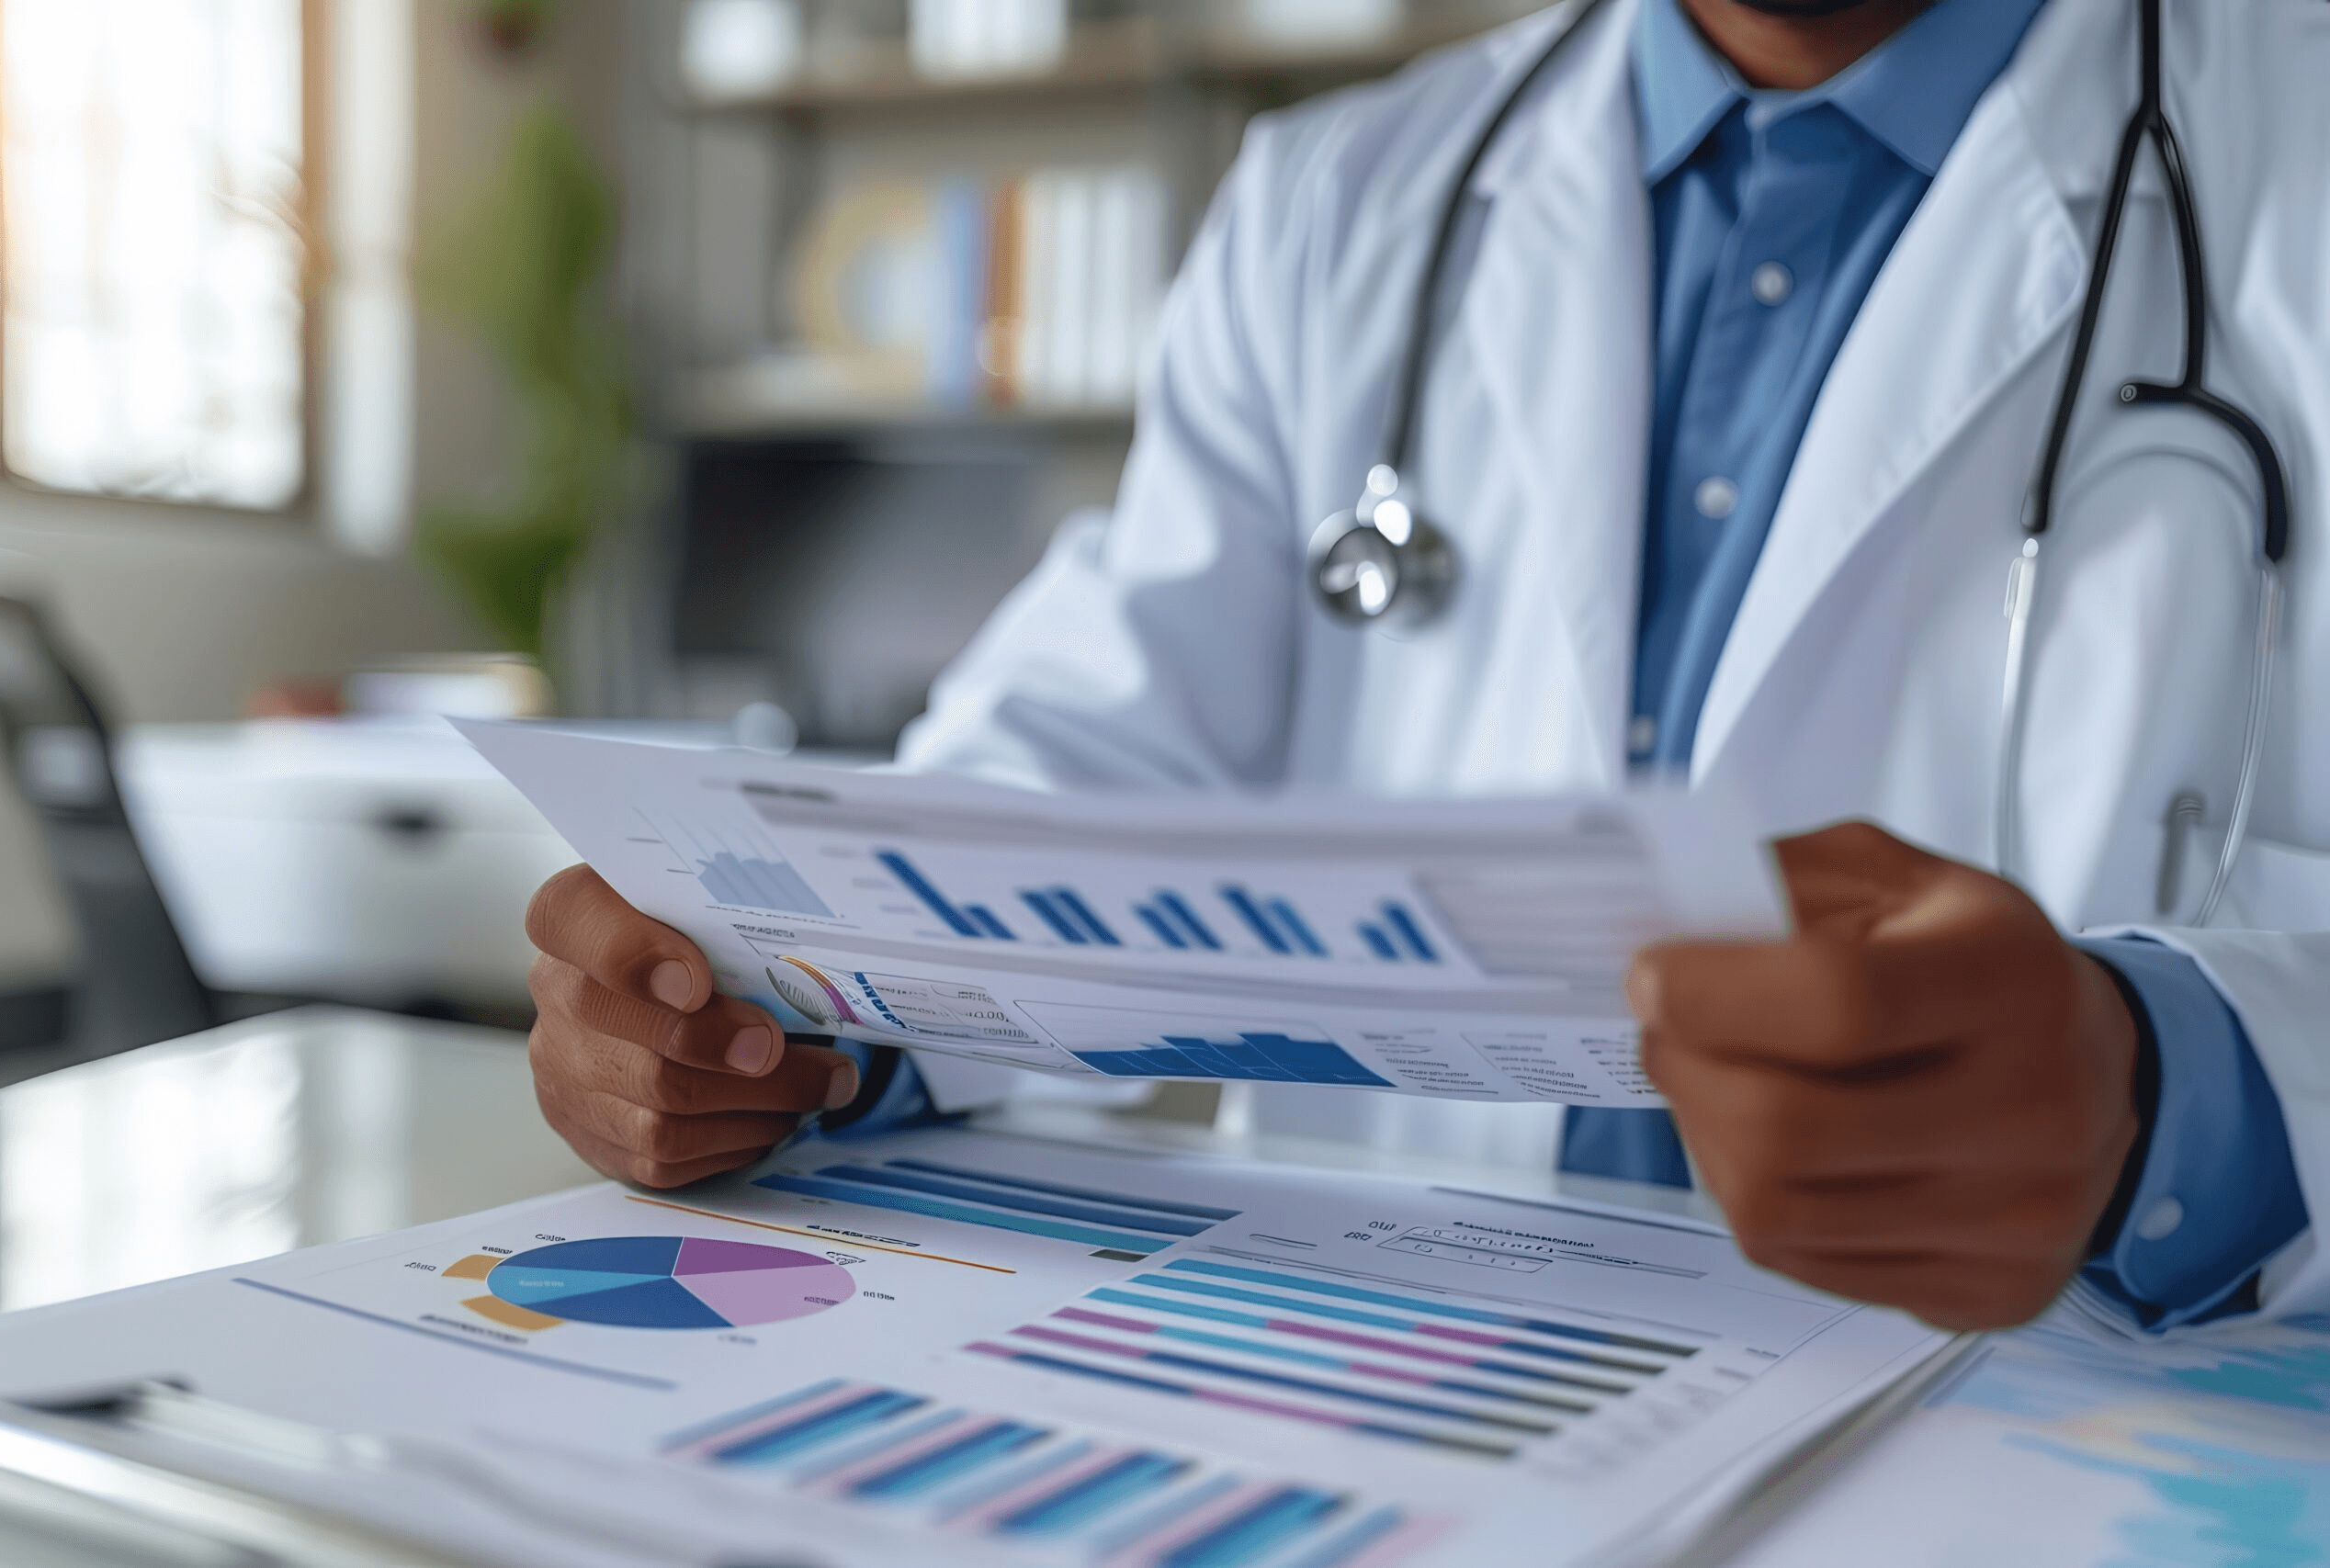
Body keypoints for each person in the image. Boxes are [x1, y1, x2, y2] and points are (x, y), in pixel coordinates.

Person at [520, 0, 2327, 1335]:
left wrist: (2168, 1091)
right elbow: (1087, 759)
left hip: (2036, 1439)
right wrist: (787, 1001)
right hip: (1385, 1402)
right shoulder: (1338, 201)